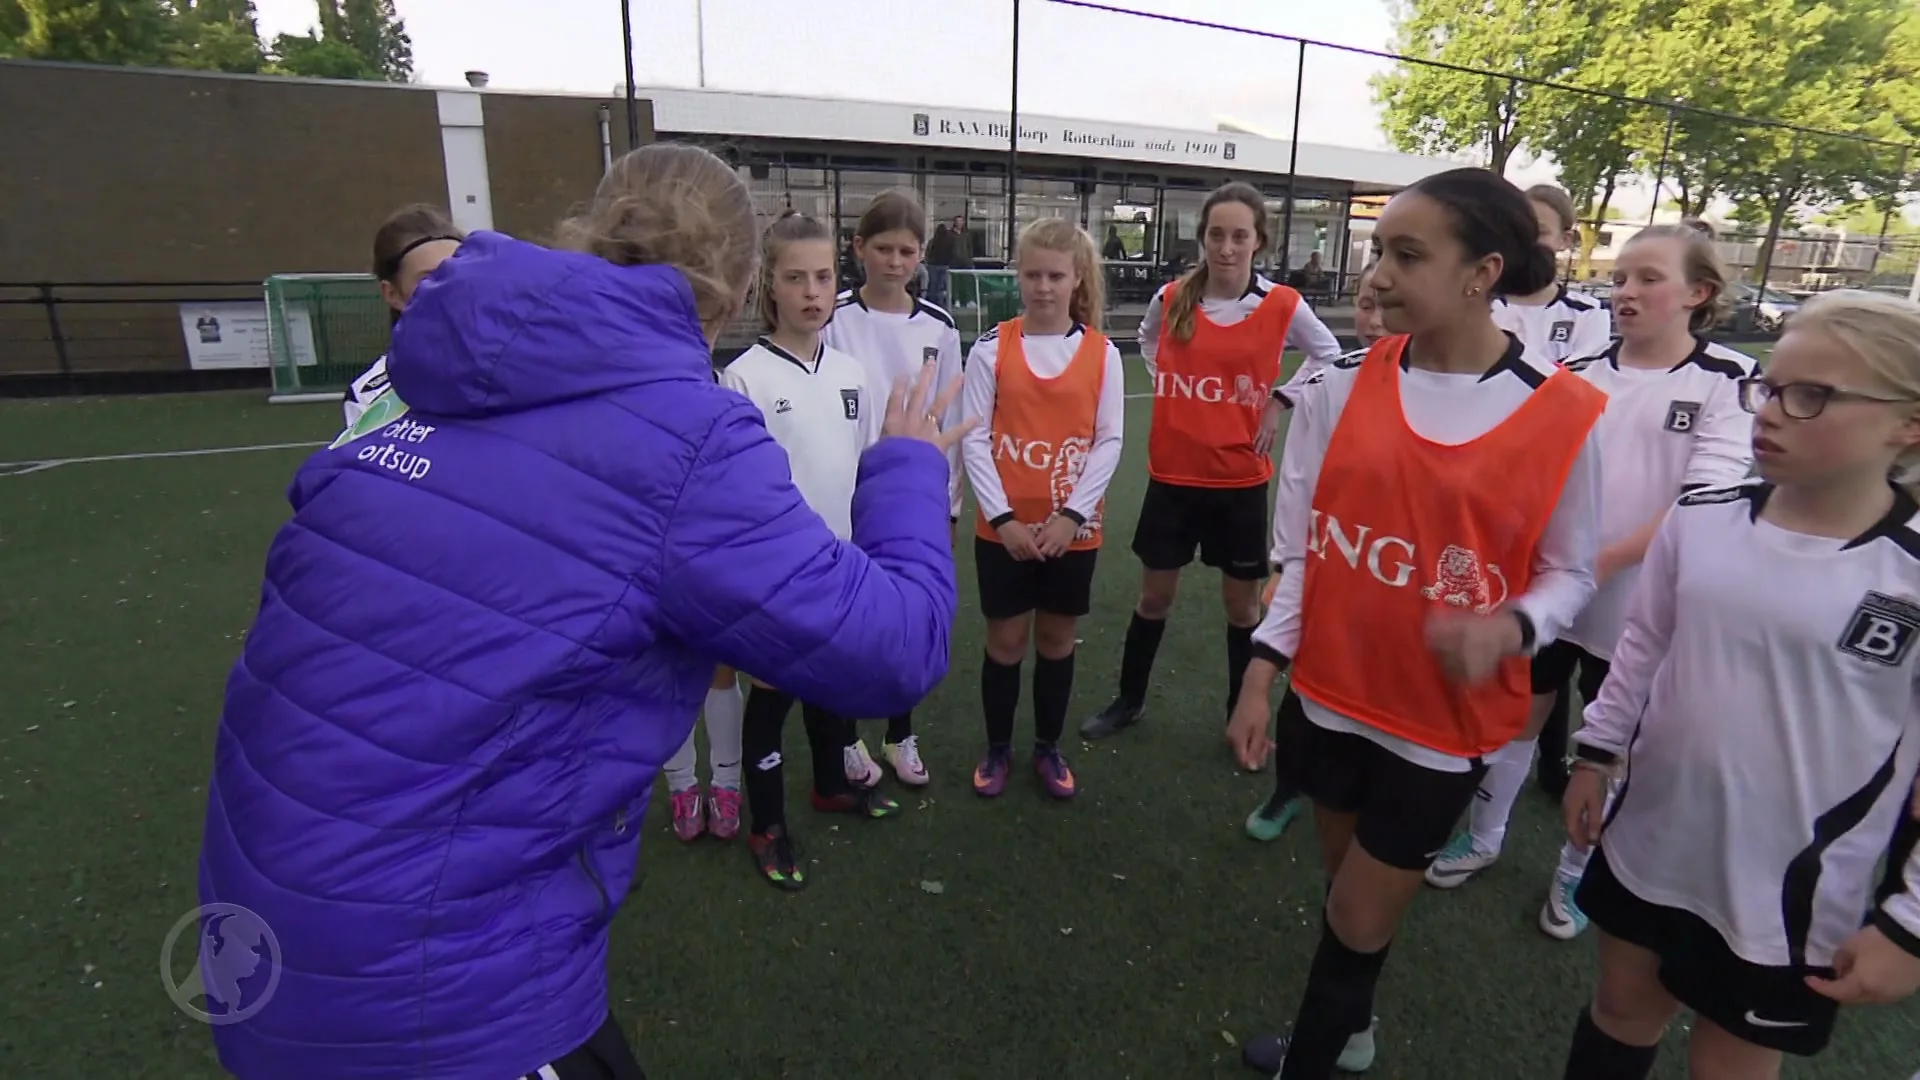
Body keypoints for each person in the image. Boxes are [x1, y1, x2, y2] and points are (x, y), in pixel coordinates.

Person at [198, 144, 970, 1080]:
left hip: (259, 939)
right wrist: (907, 468)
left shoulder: (419, 382)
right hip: (422, 987)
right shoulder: (685, 439)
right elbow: (894, 649)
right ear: (733, 288)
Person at [1224, 167, 1605, 1078]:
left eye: (1407, 254)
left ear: (1483, 272)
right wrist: (1262, 666)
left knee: (1358, 912)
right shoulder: (1337, 384)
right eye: (1377, 252)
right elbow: (1306, 547)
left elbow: (1572, 572)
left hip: (1438, 723)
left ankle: (1316, 1057)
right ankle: (1352, 1028)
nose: (1379, 275)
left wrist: (1510, 630)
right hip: (1327, 694)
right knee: (1346, 891)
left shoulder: (1565, 410)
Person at [1558, 290, 1920, 1080]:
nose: (1771, 411)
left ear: (1908, 423)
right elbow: (1645, 646)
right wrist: (1595, 753)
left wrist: (1910, 928)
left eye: (1813, 395)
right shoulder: (1703, 516)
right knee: (1620, 1012)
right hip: (1654, 838)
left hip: (1793, 894)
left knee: (1731, 1064)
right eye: (1770, 384)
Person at [1424, 225, 1756, 925]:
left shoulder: (1727, 381)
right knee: (1521, 717)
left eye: (1648, 279)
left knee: (1611, 750)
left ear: (1699, 294)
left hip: (1644, 611)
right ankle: (1483, 839)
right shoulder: (1577, 375)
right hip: (1557, 598)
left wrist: (1593, 565)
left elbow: (1700, 504)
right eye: (1621, 278)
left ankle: (1573, 874)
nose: (1626, 292)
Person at [1081, 181, 1343, 763]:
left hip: (1239, 484)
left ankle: (1237, 715)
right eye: (1216, 235)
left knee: (1242, 610)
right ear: (1202, 238)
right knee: (1154, 599)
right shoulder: (1173, 295)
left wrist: (1280, 398)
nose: (1227, 247)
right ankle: (1129, 699)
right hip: (1172, 477)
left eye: (1239, 236)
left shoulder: (1282, 304)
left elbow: (1330, 355)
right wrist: (1172, 386)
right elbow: (1147, 341)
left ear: (1259, 242)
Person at [721, 213, 902, 888]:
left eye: (823, 277)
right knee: (772, 699)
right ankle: (766, 824)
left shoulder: (853, 373)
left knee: (836, 679)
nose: (811, 291)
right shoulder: (743, 379)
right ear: (769, 284)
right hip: (775, 577)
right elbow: (739, 496)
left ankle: (831, 783)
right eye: (795, 277)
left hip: (841, 567)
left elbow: (859, 470)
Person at [965, 217, 1125, 800]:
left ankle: (1047, 748)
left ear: (1076, 277)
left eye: (1055, 275)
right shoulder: (991, 349)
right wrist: (1004, 520)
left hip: (1071, 535)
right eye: (1031, 274)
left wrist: (1071, 517)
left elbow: (1108, 441)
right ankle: (999, 747)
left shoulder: (1103, 353)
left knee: (1056, 642)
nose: (1043, 287)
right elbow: (975, 438)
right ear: (1018, 275)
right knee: (1005, 644)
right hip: (1002, 532)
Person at [822, 188, 965, 789]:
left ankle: (900, 734)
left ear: (922, 253)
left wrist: (948, 502)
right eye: (883, 248)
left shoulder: (940, 326)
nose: (895, 261)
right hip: (850, 490)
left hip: (912, 498)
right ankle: (848, 737)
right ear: (859, 248)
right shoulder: (835, 319)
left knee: (907, 613)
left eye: (907, 250)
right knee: (848, 615)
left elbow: (947, 418)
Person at [1244, 261, 1386, 842]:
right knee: (1305, 683)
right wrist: (1285, 564)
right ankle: (1288, 789)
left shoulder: (1465, 392)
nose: (1373, 319)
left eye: (1385, 304)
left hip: (1396, 577)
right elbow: (1298, 483)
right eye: (1364, 302)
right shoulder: (1335, 381)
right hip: (1328, 567)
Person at [340, 205, 464, 426]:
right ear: (392, 294)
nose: (451, 288)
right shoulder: (370, 397)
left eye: (460, 273)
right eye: (430, 278)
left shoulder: (519, 363)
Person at [1490, 185, 1612, 366]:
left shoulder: (1589, 313)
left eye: (1539, 232)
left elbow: (1581, 384)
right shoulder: (1475, 305)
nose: (1526, 240)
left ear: (1565, 240)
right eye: (1519, 230)